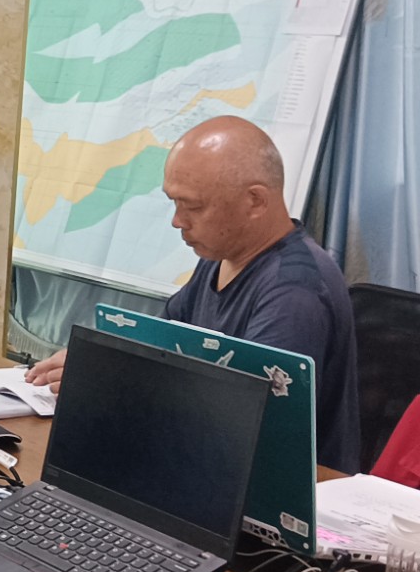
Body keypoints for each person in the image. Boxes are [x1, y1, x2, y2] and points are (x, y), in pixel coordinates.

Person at [25, 116, 360, 473]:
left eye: (194, 207)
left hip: (271, 485)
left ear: (255, 201)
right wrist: (98, 364)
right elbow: (161, 349)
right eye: (174, 202)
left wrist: (111, 382)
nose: (178, 221)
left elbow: (244, 425)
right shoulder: (222, 256)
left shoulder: (295, 292)